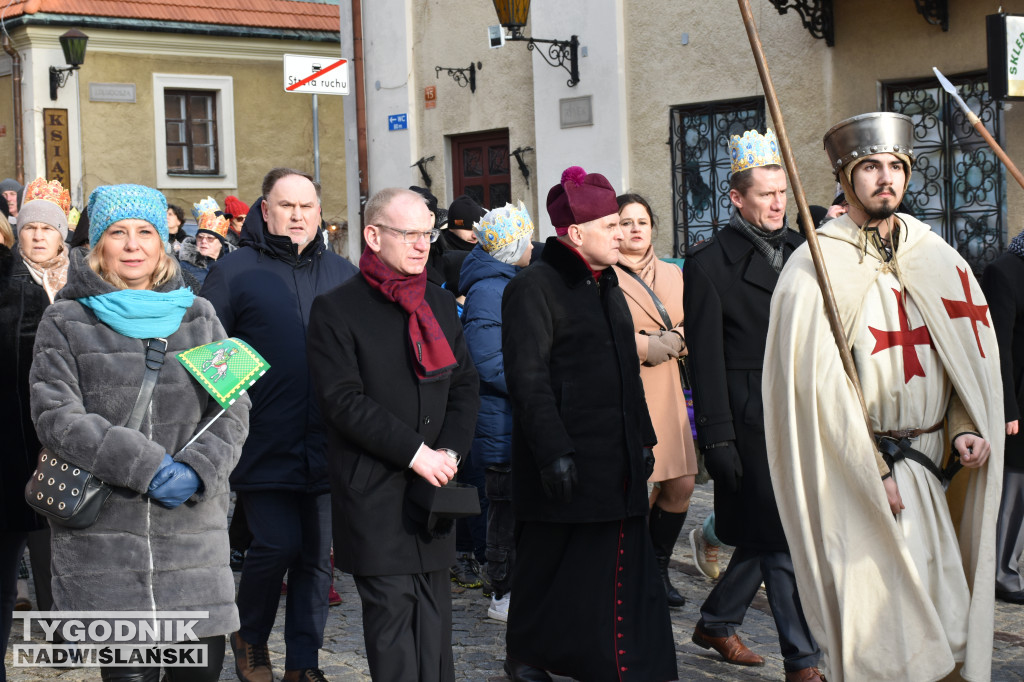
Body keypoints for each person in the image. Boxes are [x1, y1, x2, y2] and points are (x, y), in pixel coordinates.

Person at [763, 112, 1003, 681]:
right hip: (861, 478)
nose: (885, 178)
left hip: (926, 473)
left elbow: (962, 358)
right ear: (845, 179)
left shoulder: (933, 254)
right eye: (870, 166)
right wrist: (872, 469)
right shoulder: (815, 266)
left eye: (895, 166)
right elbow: (815, 390)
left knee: (946, 627)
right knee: (883, 634)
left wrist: (966, 424)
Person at [29, 183, 250, 682]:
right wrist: (147, 468)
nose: (133, 245)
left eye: (145, 232)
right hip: (108, 548)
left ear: (162, 243)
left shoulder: (201, 316)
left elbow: (234, 410)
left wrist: (197, 470)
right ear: (99, 246)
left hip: (193, 548)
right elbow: (56, 415)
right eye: (118, 233)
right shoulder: (66, 320)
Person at [501, 166, 676, 682]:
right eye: (611, 227)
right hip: (565, 464)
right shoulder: (534, 287)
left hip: (615, 462)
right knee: (555, 569)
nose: (622, 235)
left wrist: (644, 439)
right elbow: (527, 377)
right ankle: (531, 656)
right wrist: (554, 450)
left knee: (614, 572)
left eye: (624, 226)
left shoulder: (609, 286)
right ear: (575, 233)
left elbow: (627, 370)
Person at [306, 187, 479, 681]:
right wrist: (416, 453)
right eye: (409, 234)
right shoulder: (336, 310)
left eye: (428, 233)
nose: (422, 244)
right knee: (394, 630)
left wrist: (448, 451)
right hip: (375, 492)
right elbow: (342, 401)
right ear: (374, 235)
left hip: (435, 490)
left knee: (436, 627)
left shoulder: (441, 305)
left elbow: (465, 383)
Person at [201, 168, 357, 682]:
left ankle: (304, 664)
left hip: (329, 441)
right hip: (262, 439)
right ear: (264, 212)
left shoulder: (342, 272)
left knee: (316, 558)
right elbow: (208, 354)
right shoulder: (235, 271)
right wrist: (239, 404)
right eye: (285, 205)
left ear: (319, 213)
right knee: (276, 544)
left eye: (305, 206)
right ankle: (250, 636)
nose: (296, 215)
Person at [684, 129, 821, 681]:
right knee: (781, 535)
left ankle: (716, 620)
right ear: (737, 198)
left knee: (770, 533)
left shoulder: (803, 251)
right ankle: (802, 660)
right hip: (748, 419)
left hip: (801, 412)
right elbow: (707, 361)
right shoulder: (709, 263)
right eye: (764, 194)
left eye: (781, 194)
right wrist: (716, 437)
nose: (776, 204)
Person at [0, 178, 72, 682]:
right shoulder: (5, 281)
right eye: (31, 228)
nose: (40, 236)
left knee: (62, 550)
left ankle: (66, 638)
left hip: (69, 443)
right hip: (10, 440)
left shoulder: (84, 281)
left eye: (49, 228)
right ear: (18, 234)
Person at [611, 192, 697, 608]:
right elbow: (604, 334)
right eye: (626, 222)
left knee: (681, 483)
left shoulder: (674, 274)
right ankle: (632, 572)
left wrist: (671, 342)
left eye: (641, 221)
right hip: (630, 388)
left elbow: (691, 322)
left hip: (668, 387)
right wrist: (648, 346)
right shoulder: (605, 275)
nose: (635, 229)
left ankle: (658, 566)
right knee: (639, 486)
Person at [458, 200, 535, 622]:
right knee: (502, 513)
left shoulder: (505, 282)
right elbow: (488, 360)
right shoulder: (492, 289)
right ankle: (502, 592)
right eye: (527, 240)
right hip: (498, 422)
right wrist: (536, 384)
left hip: (510, 419)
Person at [982, 235, 1024, 605]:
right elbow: (999, 348)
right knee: (1014, 488)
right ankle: (1000, 573)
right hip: (1018, 402)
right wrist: (1007, 408)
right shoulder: (1004, 271)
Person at [178, 204, 235, 289]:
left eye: (210, 238)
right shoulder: (185, 265)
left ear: (220, 243)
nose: (203, 241)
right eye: (200, 237)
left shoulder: (234, 261)